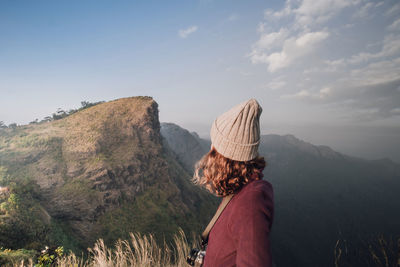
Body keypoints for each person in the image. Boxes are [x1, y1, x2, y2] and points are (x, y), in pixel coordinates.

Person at [193, 98, 274, 267]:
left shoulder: (251, 202)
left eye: (214, 145)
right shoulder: (240, 190)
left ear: (225, 156)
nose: (210, 151)